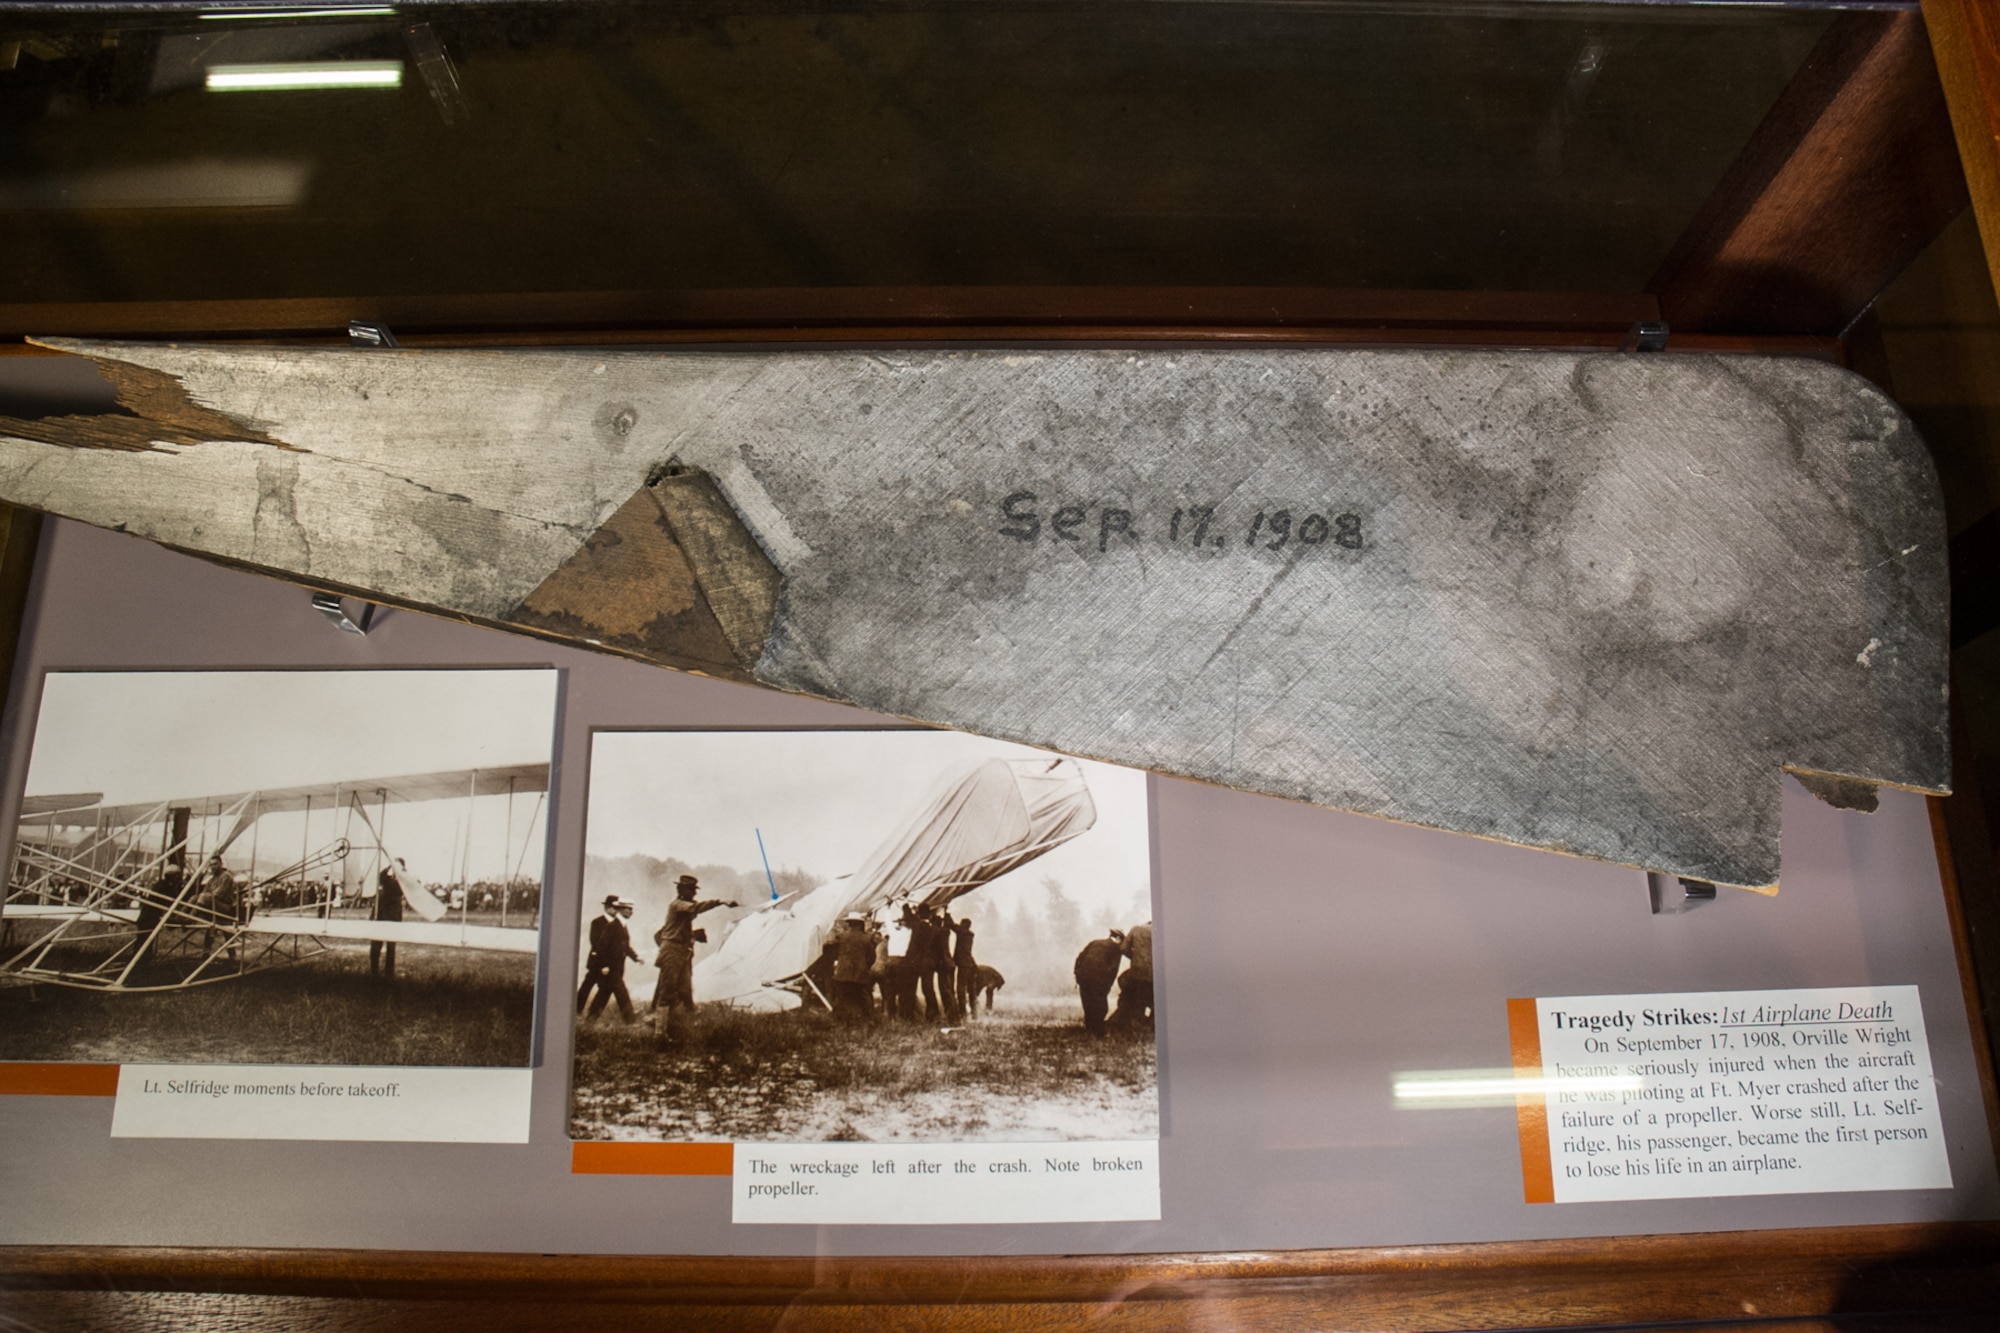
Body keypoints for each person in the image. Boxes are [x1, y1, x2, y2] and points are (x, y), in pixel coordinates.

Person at [652, 874, 736, 1039]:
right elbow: (696, 908)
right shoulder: (678, 904)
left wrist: (692, 936)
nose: (694, 894)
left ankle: (682, 1026)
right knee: (667, 990)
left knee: (685, 988)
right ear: (682, 890)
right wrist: (720, 901)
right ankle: (659, 1033)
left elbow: (695, 909)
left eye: (694, 890)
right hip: (672, 950)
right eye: (691, 890)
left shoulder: (686, 905)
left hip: (681, 951)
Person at [578, 895, 640, 1023]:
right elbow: (597, 944)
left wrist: (636, 957)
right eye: (614, 908)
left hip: (611, 965)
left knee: (605, 990)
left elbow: (624, 946)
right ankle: (630, 1019)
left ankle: (591, 1017)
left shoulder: (619, 925)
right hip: (599, 963)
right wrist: (602, 965)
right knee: (590, 986)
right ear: (607, 907)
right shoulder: (599, 922)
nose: (615, 910)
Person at [1074, 928, 1125, 1035]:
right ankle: (1099, 1032)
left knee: (1087, 1003)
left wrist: (1077, 975)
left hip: (1083, 977)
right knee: (1101, 1006)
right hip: (1099, 979)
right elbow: (1113, 969)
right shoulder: (1116, 949)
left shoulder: (1095, 942)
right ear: (1119, 939)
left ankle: (1089, 1029)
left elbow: (1079, 958)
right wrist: (1108, 985)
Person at [830, 913, 876, 1021]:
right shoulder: (866, 939)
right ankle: (868, 1020)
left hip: (843, 972)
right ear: (860, 924)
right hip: (860, 974)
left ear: (849, 923)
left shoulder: (841, 937)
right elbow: (872, 957)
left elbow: (831, 950)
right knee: (864, 998)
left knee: (841, 998)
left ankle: (840, 1020)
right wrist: (865, 966)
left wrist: (840, 961)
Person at [1111, 921, 1154, 1027]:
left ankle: (1135, 1025)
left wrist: (1136, 958)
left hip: (1136, 972)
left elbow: (1123, 948)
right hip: (1154, 974)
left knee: (1137, 998)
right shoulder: (1161, 931)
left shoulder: (1136, 929)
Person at [371, 857, 407, 979]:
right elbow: (381, 876)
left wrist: (399, 871)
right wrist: (389, 867)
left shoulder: (402, 880)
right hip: (380, 916)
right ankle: (373, 972)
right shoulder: (386, 877)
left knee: (391, 948)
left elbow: (393, 890)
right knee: (375, 946)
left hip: (392, 917)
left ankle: (388, 974)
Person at [948, 910, 979, 1021]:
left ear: (963, 925)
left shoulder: (963, 932)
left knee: (960, 989)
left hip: (963, 965)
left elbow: (951, 925)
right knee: (971, 990)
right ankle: (974, 1014)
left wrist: (946, 913)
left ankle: (963, 1013)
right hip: (970, 964)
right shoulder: (969, 934)